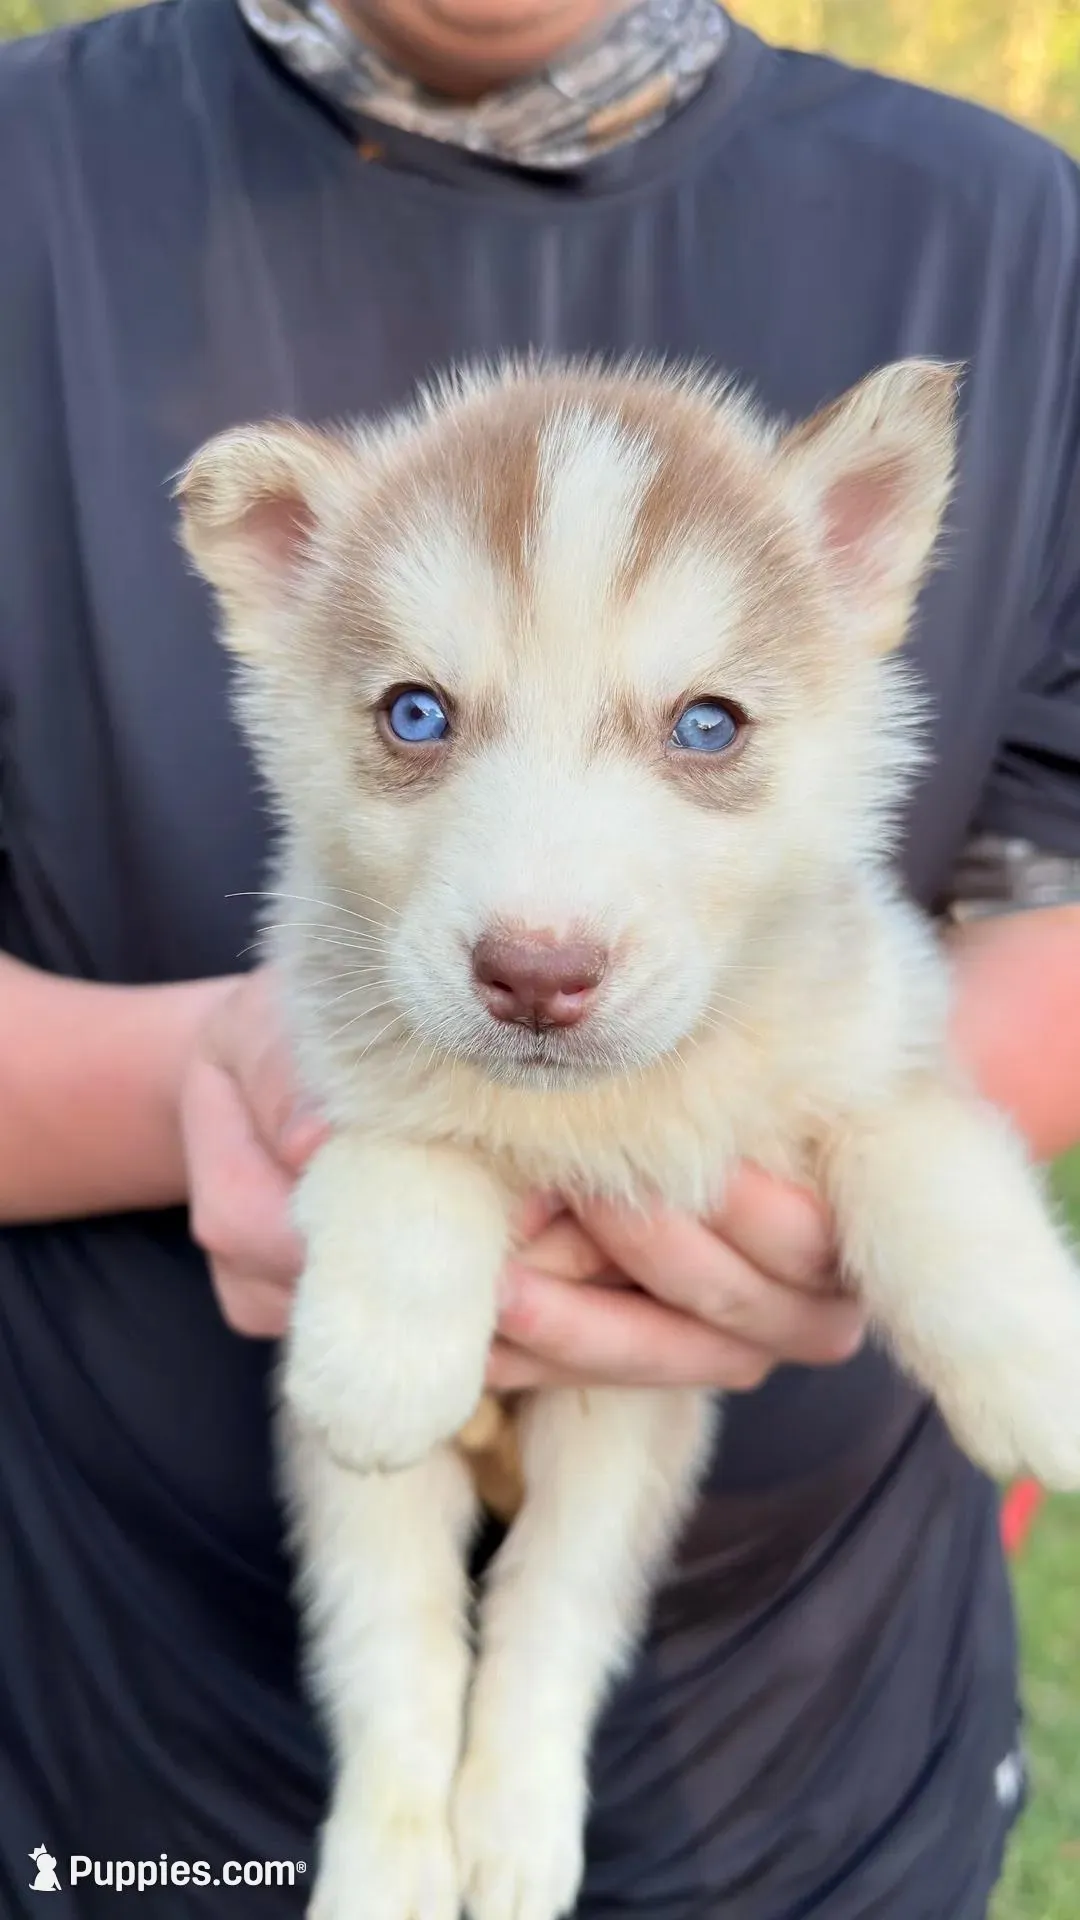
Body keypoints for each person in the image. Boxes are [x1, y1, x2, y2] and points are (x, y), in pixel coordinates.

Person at [1, 0, 1078, 1913]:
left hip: (815, 1752)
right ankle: (402, 1777)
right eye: (421, 718)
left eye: (706, 728)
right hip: (122, 1730)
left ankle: (530, 1737)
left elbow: (1025, 927)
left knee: (610, 1468)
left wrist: (918, 1253)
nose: (542, 925)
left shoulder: (1015, 230)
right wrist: (212, 1092)